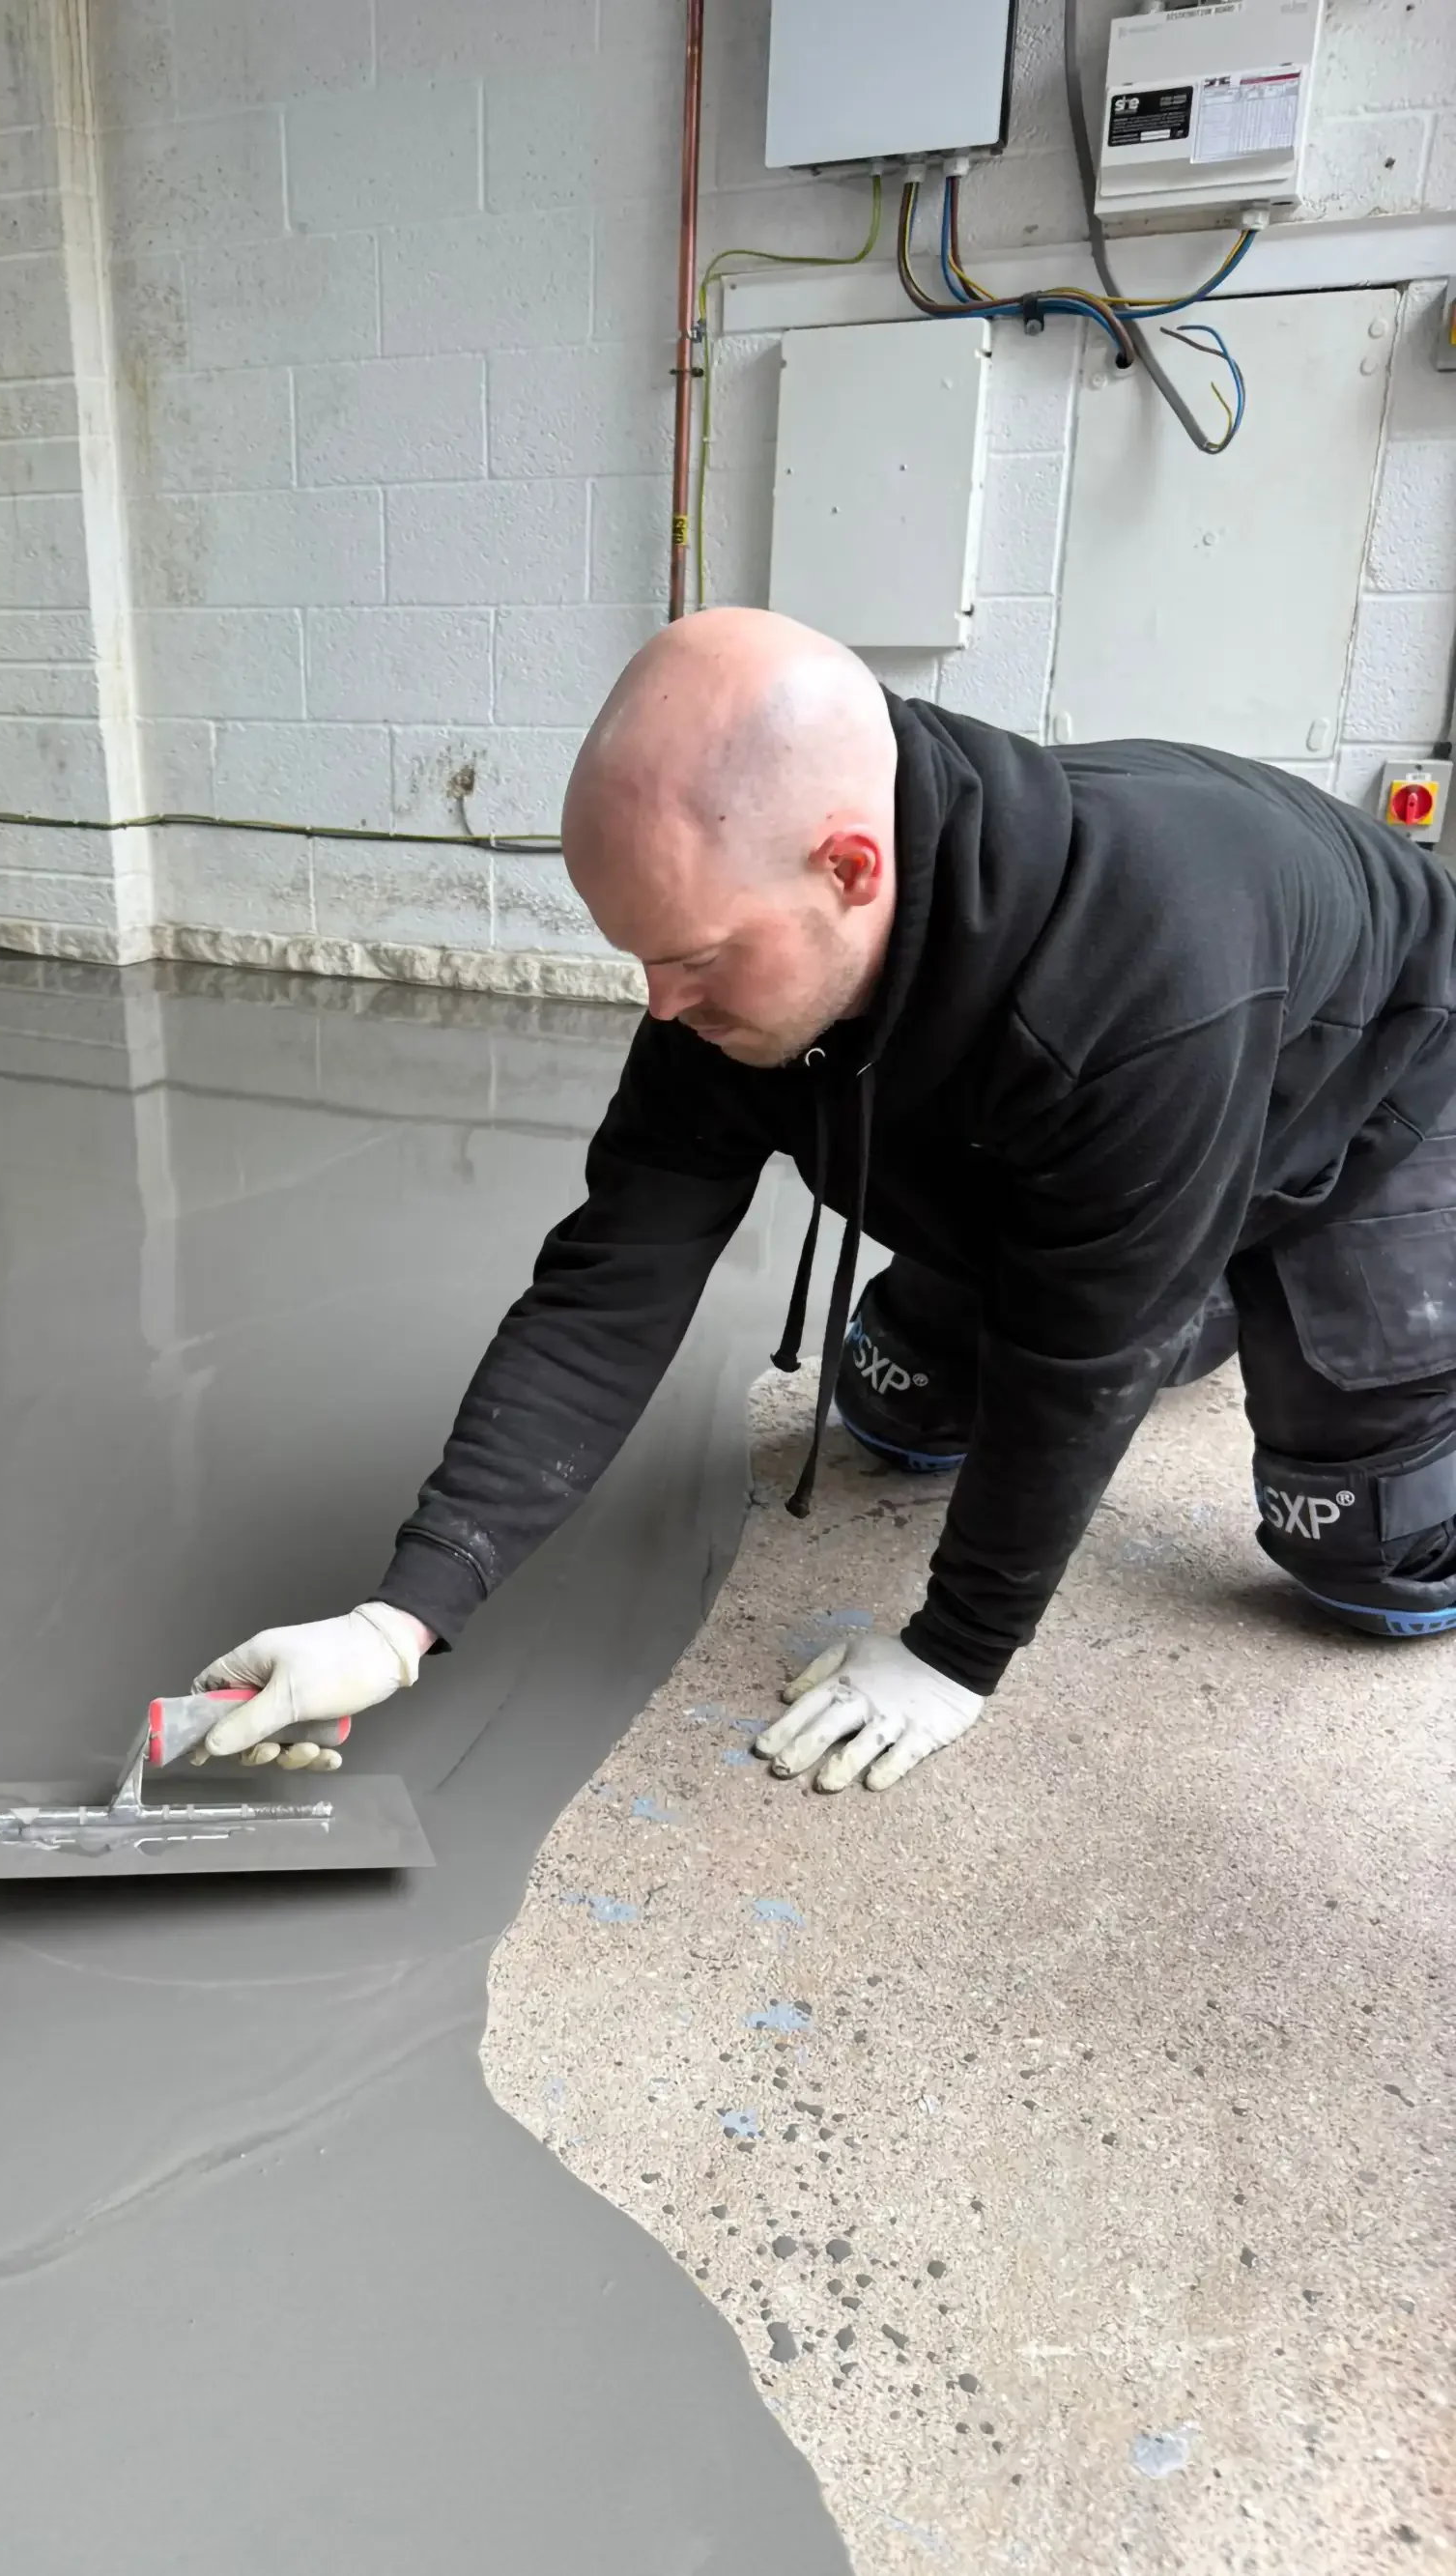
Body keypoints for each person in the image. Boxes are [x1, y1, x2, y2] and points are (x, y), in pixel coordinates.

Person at [195, 609, 1456, 1794]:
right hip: (1119, 1124)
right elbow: (607, 1288)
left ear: (852, 866)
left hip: (1376, 1076)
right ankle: (1171, 1269)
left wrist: (954, 1654)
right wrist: (402, 1613)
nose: (660, 1007)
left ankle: (1211, 1279)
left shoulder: (1136, 993)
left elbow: (1078, 1362)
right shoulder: (731, 958)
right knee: (899, 1414)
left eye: (689, 959)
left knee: (1364, 1557)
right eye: (640, 955)